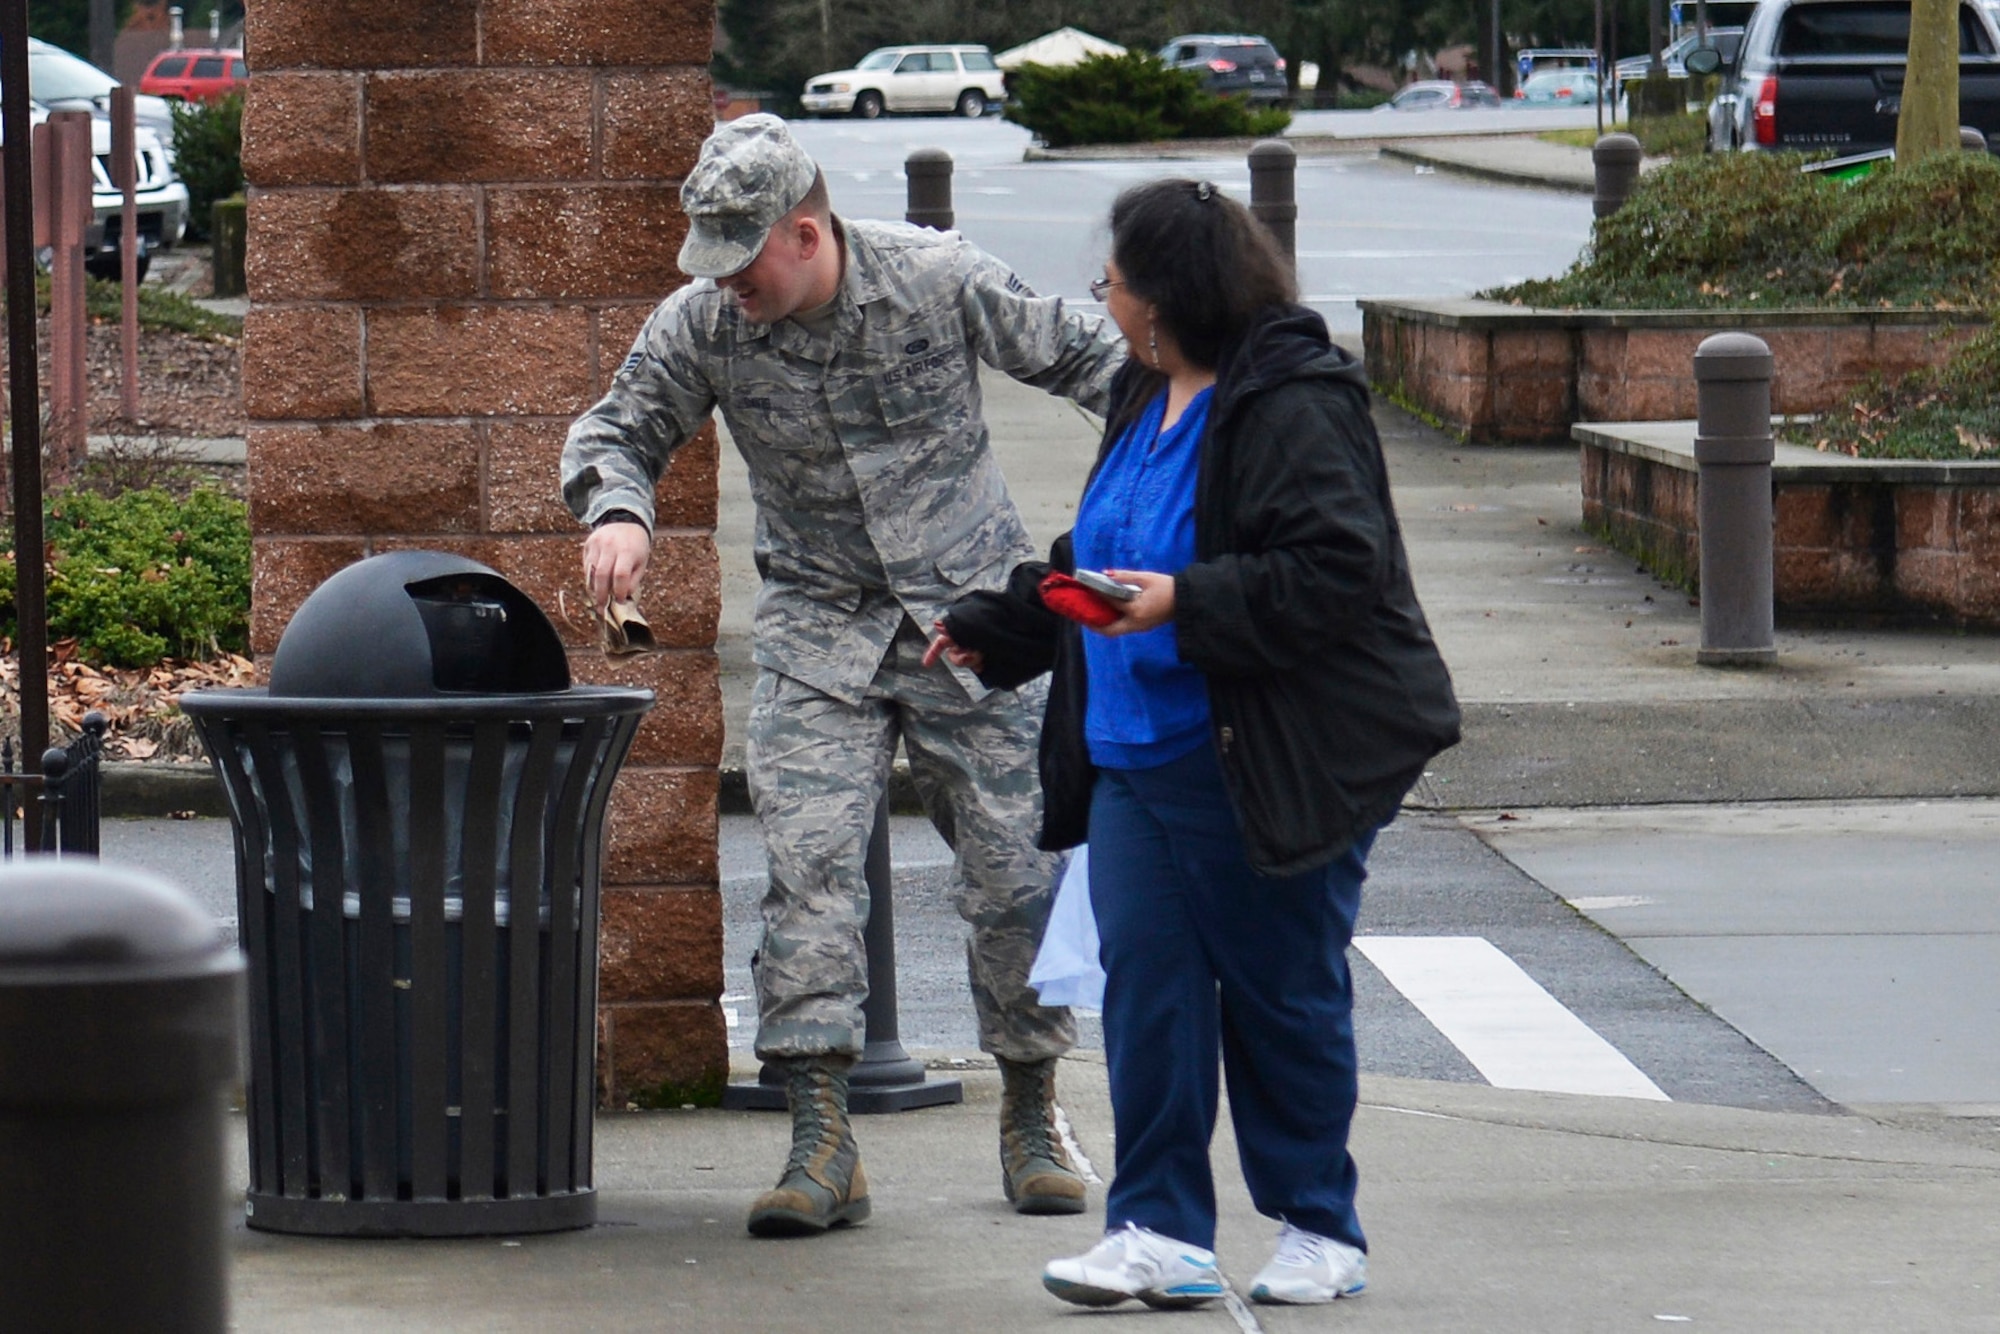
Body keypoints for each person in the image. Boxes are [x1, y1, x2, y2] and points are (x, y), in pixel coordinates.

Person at [560, 115, 1127, 1239]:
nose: (726, 286)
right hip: (819, 628)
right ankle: (820, 1136)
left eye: (743, 260)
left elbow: (1106, 365)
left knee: (1016, 872)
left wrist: (1117, 524)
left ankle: (1029, 1109)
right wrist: (618, 511)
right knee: (807, 870)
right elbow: (616, 428)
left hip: (972, 620)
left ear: (806, 232)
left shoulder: (937, 277)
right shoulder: (706, 323)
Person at [926, 178, 1460, 1307]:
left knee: (1280, 996)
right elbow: (1103, 544)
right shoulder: (1139, 391)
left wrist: (1182, 603)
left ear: (1164, 294)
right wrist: (1003, 620)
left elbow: (1332, 570)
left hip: (1259, 752)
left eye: (1111, 282)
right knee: (1149, 996)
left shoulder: (1290, 400)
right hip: (1130, 756)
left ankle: (1320, 1222)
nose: (1103, 301)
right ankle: (1158, 1229)